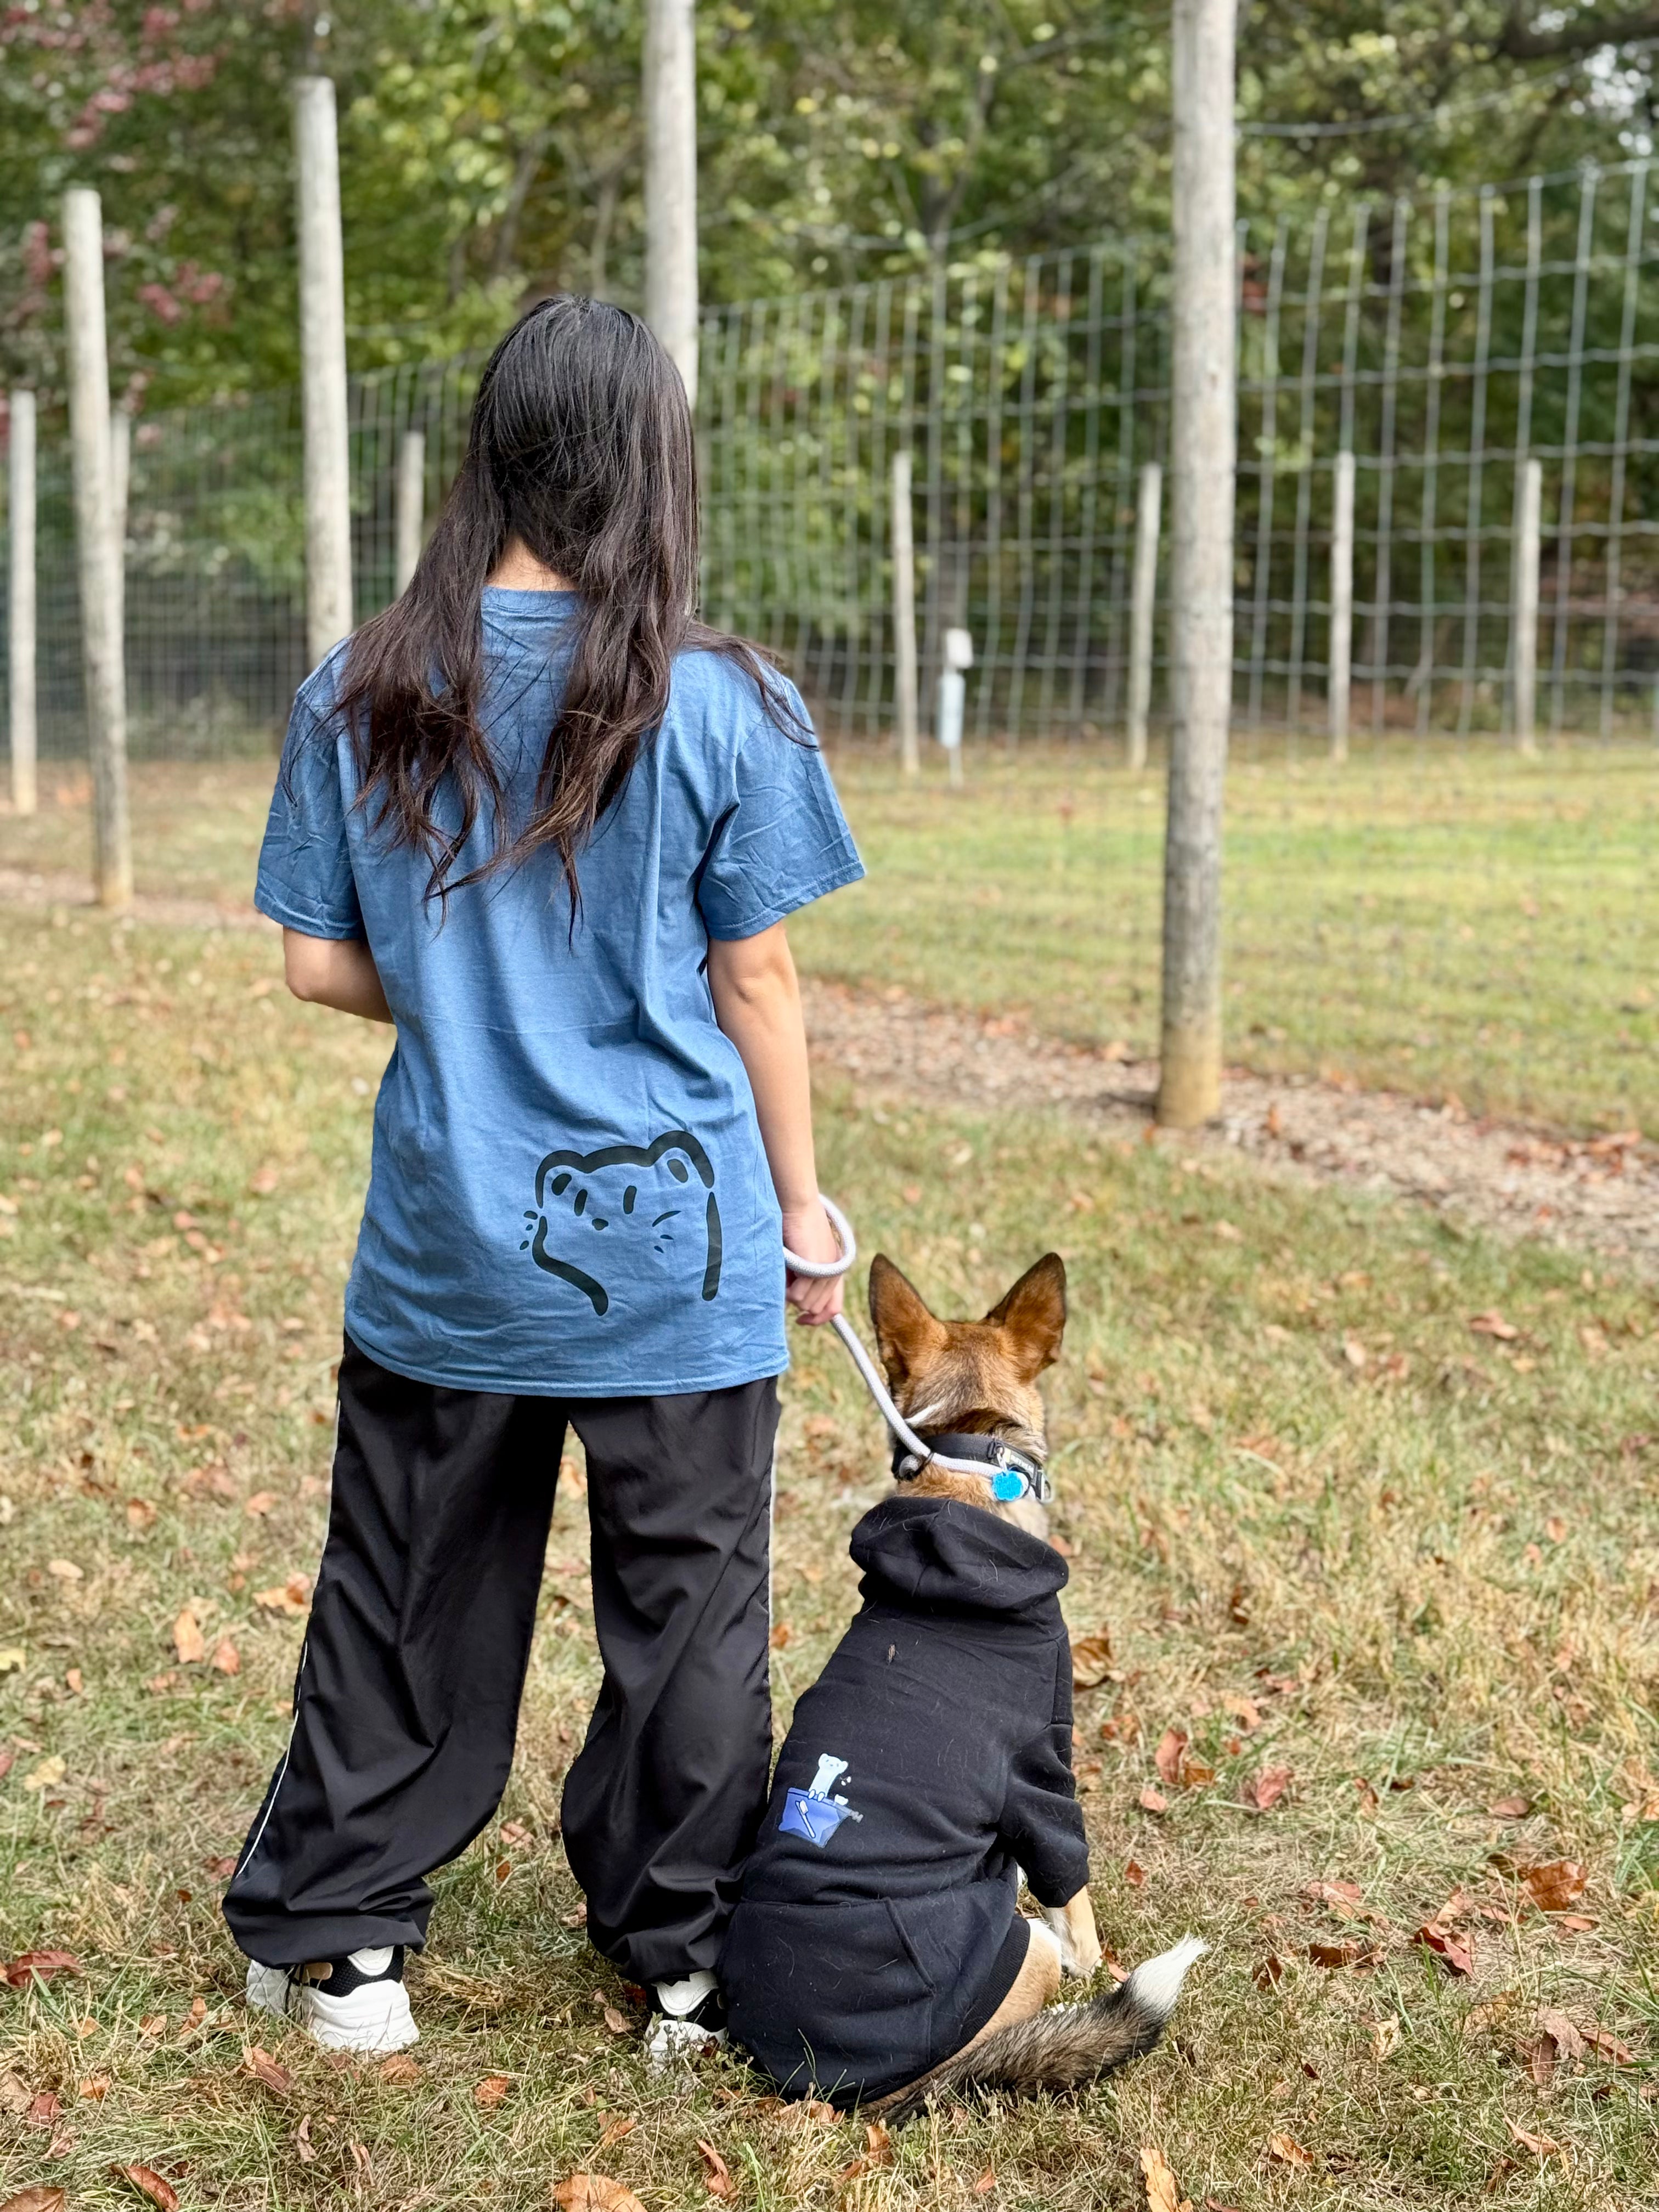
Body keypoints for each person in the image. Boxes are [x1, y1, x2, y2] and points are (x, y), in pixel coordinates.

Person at [221, 295, 863, 2060]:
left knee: (410, 1585)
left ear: (490, 453)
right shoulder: (727, 704)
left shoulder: (359, 688)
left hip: (449, 1248)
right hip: (683, 1258)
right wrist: (801, 1210)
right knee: (689, 1618)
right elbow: (758, 982)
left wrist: (457, 1000)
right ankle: (680, 1961)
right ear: (656, 466)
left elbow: (316, 963)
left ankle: (349, 1951)